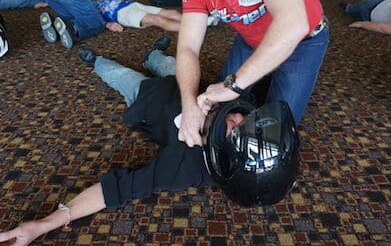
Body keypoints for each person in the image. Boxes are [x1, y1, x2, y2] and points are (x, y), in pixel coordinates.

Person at [0, 37, 300, 245]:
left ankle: (97, 61)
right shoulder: (242, 105)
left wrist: (45, 224)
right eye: (245, 121)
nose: (236, 118)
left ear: (221, 154)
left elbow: (116, 189)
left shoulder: (184, 167)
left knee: (119, 75)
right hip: (188, 82)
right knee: (167, 62)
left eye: (233, 130)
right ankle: (152, 55)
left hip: (148, 97)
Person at [131, 0, 329, 147]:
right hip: (251, 39)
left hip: (304, 41)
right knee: (218, 108)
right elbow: (187, 49)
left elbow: (293, 23)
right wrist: (189, 105)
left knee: (275, 135)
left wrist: (234, 85)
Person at [94, 0, 182, 32]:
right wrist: (107, 24)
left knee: (172, 13)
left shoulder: (86, 1)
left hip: (129, 3)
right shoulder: (84, 12)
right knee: (156, 19)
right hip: (121, 14)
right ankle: (192, 31)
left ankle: (194, 23)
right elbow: (88, 22)